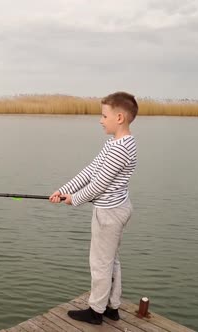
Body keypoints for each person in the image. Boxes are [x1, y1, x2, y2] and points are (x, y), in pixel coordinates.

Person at [49, 91, 138, 325]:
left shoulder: (121, 149)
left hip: (110, 213)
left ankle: (96, 311)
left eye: (104, 115)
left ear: (119, 117)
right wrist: (63, 190)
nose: (100, 120)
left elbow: (99, 184)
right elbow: (91, 171)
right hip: (113, 209)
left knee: (100, 262)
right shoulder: (115, 143)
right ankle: (112, 306)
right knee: (110, 260)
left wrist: (74, 199)